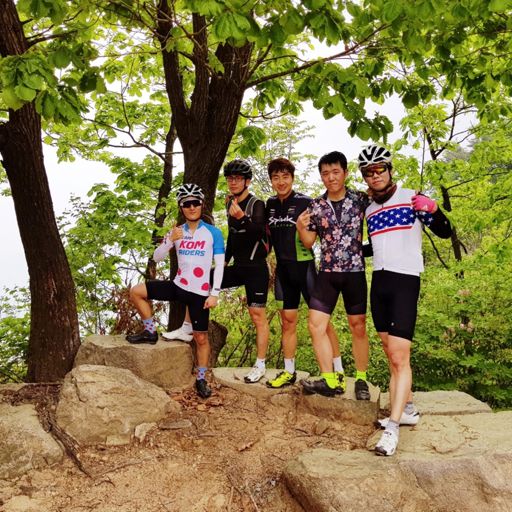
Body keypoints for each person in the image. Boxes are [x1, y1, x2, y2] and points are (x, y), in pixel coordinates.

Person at [359, 144, 452, 456]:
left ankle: (394, 429)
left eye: (379, 169)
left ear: (390, 170)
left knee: (400, 357)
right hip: (379, 282)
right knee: (390, 352)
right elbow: (375, 245)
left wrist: (434, 210)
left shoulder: (412, 198)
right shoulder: (369, 210)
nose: (375, 175)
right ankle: (408, 408)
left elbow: (445, 232)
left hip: (405, 280)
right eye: (369, 172)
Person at [165, 160, 271, 384]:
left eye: (238, 178)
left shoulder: (256, 204)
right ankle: (186, 328)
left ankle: (260, 364)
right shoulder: (230, 202)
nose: (233, 182)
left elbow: (259, 234)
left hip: (256, 268)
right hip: (238, 266)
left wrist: (242, 217)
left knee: (257, 315)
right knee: (202, 278)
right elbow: (232, 235)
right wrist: (224, 262)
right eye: (230, 178)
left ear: (247, 181)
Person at [125, 184, 225, 399]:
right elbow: (157, 257)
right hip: (178, 286)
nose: (191, 207)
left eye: (195, 203)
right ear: (181, 207)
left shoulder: (213, 233)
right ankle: (150, 332)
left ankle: (201, 379)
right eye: (186, 204)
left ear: (202, 204)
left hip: (199, 292)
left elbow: (219, 265)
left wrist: (215, 293)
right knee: (136, 291)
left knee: (201, 338)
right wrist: (170, 240)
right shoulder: (176, 231)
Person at [296, 151, 371, 399]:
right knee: (315, 325)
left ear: (345, 173)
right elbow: (308, 242)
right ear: (321, 177)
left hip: (354, 272)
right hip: (327, 273)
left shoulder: (360, 199)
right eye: (325, 173)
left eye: (336, 172)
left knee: (358, 327)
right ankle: (329, 379)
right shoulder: (316, 206)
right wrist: (300, 227)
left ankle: (361, 379)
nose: (331, 177)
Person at [265, 157, 343, 389]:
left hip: (305, 269)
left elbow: (318, 236)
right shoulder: (270, 204)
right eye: (276, 178)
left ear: (292, 178)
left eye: (285, 177)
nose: (281, 182)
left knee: (322, 323)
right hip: (283, 271)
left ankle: (338, 371)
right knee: (287, 322)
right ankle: (289, 371)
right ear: (271, 181)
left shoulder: (306, 202)